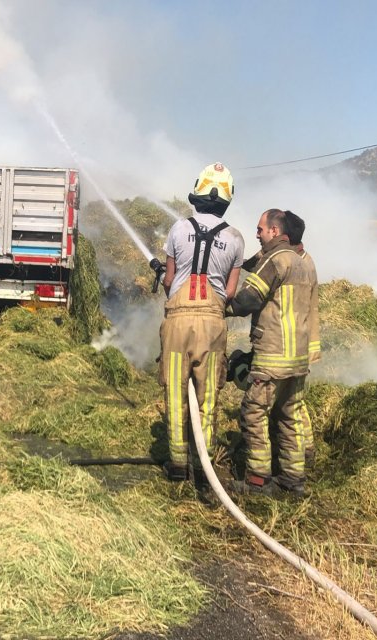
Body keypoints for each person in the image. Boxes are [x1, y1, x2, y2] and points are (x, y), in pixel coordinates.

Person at [155, 163, 245, 490]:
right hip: (212, 324)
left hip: (178, 323)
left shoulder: (179, 228)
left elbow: (169, 280)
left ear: (198, 193)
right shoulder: (235, 238)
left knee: (176, 393)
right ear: (226, 200)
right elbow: (230, 292)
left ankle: (178, 463)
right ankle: (203, 465)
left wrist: (170, 283)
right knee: (207, 397)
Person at [225, 209, 318, 496]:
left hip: (273, 356)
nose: (257, 234)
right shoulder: (303, 262)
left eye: (260, 229)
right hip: (297, 358)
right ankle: (293, 480)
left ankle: (257, 480)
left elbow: (248, 300)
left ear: (275, 231)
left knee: (254, 413)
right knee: (290, 417)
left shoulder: (275, 259)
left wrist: (219, 307)